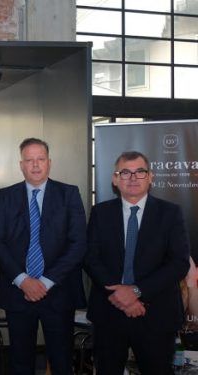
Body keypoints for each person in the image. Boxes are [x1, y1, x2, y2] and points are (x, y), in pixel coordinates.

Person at [85, 150, 190, 374]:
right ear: (115, 179)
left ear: (151, 176)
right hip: (109, 313)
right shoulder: (100, 213)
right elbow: (91, 258)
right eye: (125, 172)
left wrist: (135, 291)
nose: (133, 178)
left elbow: (179, 262)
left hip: (156, 315)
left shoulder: (170, 213)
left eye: (140, 172)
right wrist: (119, 295)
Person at [0, 138, 86, 375]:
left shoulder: (68, 194)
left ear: (49, 163)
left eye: (40, 159)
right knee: (20, 362)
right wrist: (23, 280)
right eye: (29, 160)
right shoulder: (6, 196)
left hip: (58, 292)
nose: (35, 165)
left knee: (62, 361)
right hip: (18, 293)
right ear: (21, 165)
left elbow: (78, 243)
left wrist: (45, 282)